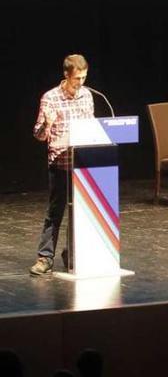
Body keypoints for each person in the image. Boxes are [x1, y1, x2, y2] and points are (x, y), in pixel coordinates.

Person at [30, 54, 95, 276]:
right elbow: (38, 135)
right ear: (66, 75)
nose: (81, 83)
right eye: (77, 78)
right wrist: (46, 124)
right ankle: (45, 257)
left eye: (84, 77)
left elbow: (91, 129)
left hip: (83, 164)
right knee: (55, 211)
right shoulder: (50, 98)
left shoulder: (87, 96)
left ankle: (73, 255)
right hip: (60, 164)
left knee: (81, 213)